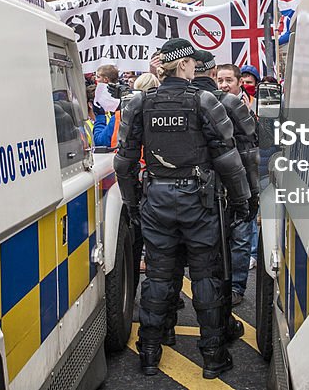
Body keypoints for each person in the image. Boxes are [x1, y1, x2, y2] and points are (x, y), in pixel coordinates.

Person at [115, 38, 251, 379]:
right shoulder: (204, 101)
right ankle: (213, 357)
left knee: (159, 276)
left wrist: (133, 204)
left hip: (156, 199)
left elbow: (124, 163)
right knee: (206, 275)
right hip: (198, 201)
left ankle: (149, 352)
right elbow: (228, 159)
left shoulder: (139, 103)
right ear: (186, 65)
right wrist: (241, 201)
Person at [192, 52, 261, 313]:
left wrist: (251, 191)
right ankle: (220, 295)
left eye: (227, 79)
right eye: (219, 78)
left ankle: (233, 289)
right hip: (210, 187)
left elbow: (249, 149)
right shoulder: (197, 102)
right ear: (212, 75)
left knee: (239, 240)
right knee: (215, 243)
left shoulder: (232, 104)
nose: (222, 84)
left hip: (230, 185)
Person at [92, 64, 127, 148]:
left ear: (106, 79)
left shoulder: (118, 115)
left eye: (98, 77)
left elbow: (101, 142)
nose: (96, 79)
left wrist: (100, 117)